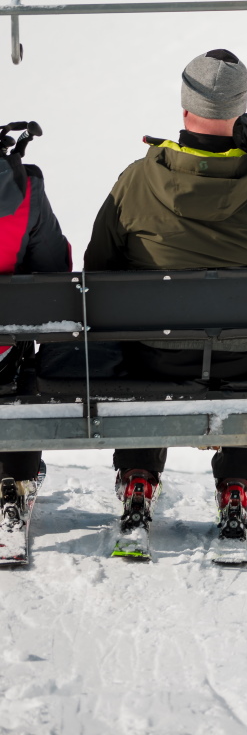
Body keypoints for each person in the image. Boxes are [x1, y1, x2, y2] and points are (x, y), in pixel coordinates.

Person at [84, 49, 247, 541]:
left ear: (186, 108)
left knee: (134, 343)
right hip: (243, 359)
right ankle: (236, 484)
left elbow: (96, 272)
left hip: (154, 356)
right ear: (241, 111)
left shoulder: (135, 181)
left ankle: (139, 479)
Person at [0, 122, 72, 534]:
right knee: (24, 347)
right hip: (2, 354)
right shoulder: (26, 193)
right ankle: (16, 479)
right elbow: (54, 277)